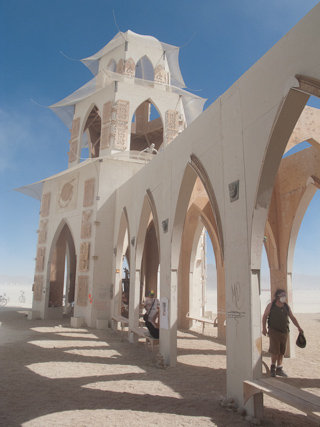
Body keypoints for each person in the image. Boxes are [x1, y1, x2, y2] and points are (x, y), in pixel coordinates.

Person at [262, 288, 304, 377]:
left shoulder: (286, 306)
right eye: (282, 295)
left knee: (281, 351)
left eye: (285, 295)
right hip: (274, 331)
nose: (284, 297)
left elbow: (292, 317)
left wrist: (299, 328)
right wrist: (264, 329)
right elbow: (265, 316)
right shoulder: (271, 305)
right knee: (275, 351)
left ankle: (279, 368)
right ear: (277, 297)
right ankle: (273, 368)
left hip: (284, 332)